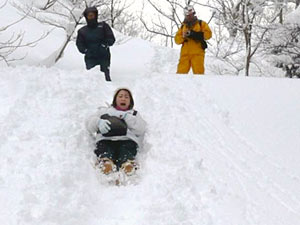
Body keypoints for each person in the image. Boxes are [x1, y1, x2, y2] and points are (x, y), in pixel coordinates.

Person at [86, 88, 146, 176]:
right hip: (106, 139)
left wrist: (126, 117)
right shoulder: (104, 111)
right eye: (120, 96)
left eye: (126, 97)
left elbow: (140, 129)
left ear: (130, 101)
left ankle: (127, 164)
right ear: (115, 100)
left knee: (126, 150)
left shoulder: (133, 114)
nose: (123, 99)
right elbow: (89, 125)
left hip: (126, 140)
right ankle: (106, 163)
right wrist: (98, 122)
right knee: (104, 149)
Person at [76, 6, 115, 81]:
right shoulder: (82, 31)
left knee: (105, 79)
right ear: (86, 17)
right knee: (92, 80)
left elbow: (111, 39)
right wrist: (86, 50)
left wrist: (104, 45)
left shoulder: (103, 26)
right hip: (90, 58)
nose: (91, 17)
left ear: (96, 15)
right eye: (89, 15)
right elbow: (79, 44)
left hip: (104, 56)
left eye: (92, 15)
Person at [175, 5, 212, 75]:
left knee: (199, 75)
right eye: (187, 15)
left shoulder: (201, 24)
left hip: (197, 53)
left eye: (190, 14)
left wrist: (195, 34)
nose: (189, 16)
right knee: (180, 75)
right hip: (185, 54)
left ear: (193, 13)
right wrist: (183, 37)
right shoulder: (183, 26)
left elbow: (209, 35)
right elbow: (176, 40)